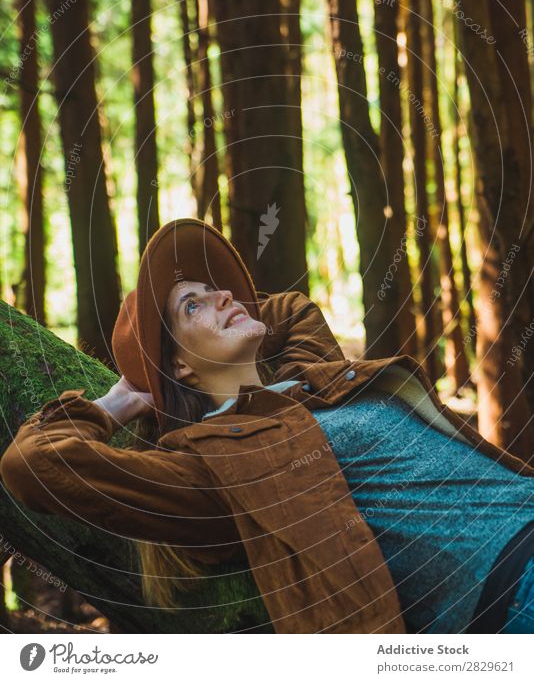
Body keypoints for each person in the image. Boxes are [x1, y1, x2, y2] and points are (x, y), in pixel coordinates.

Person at [1, 218, 533, 634]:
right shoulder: (213, 465)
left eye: (217, 290)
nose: (223, 297)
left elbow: (294, 308)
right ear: (181, 366)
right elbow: (36, 464)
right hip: (507, 589)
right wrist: (120, 400)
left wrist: (215, 319)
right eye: (193, 305)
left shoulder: (312, 378)